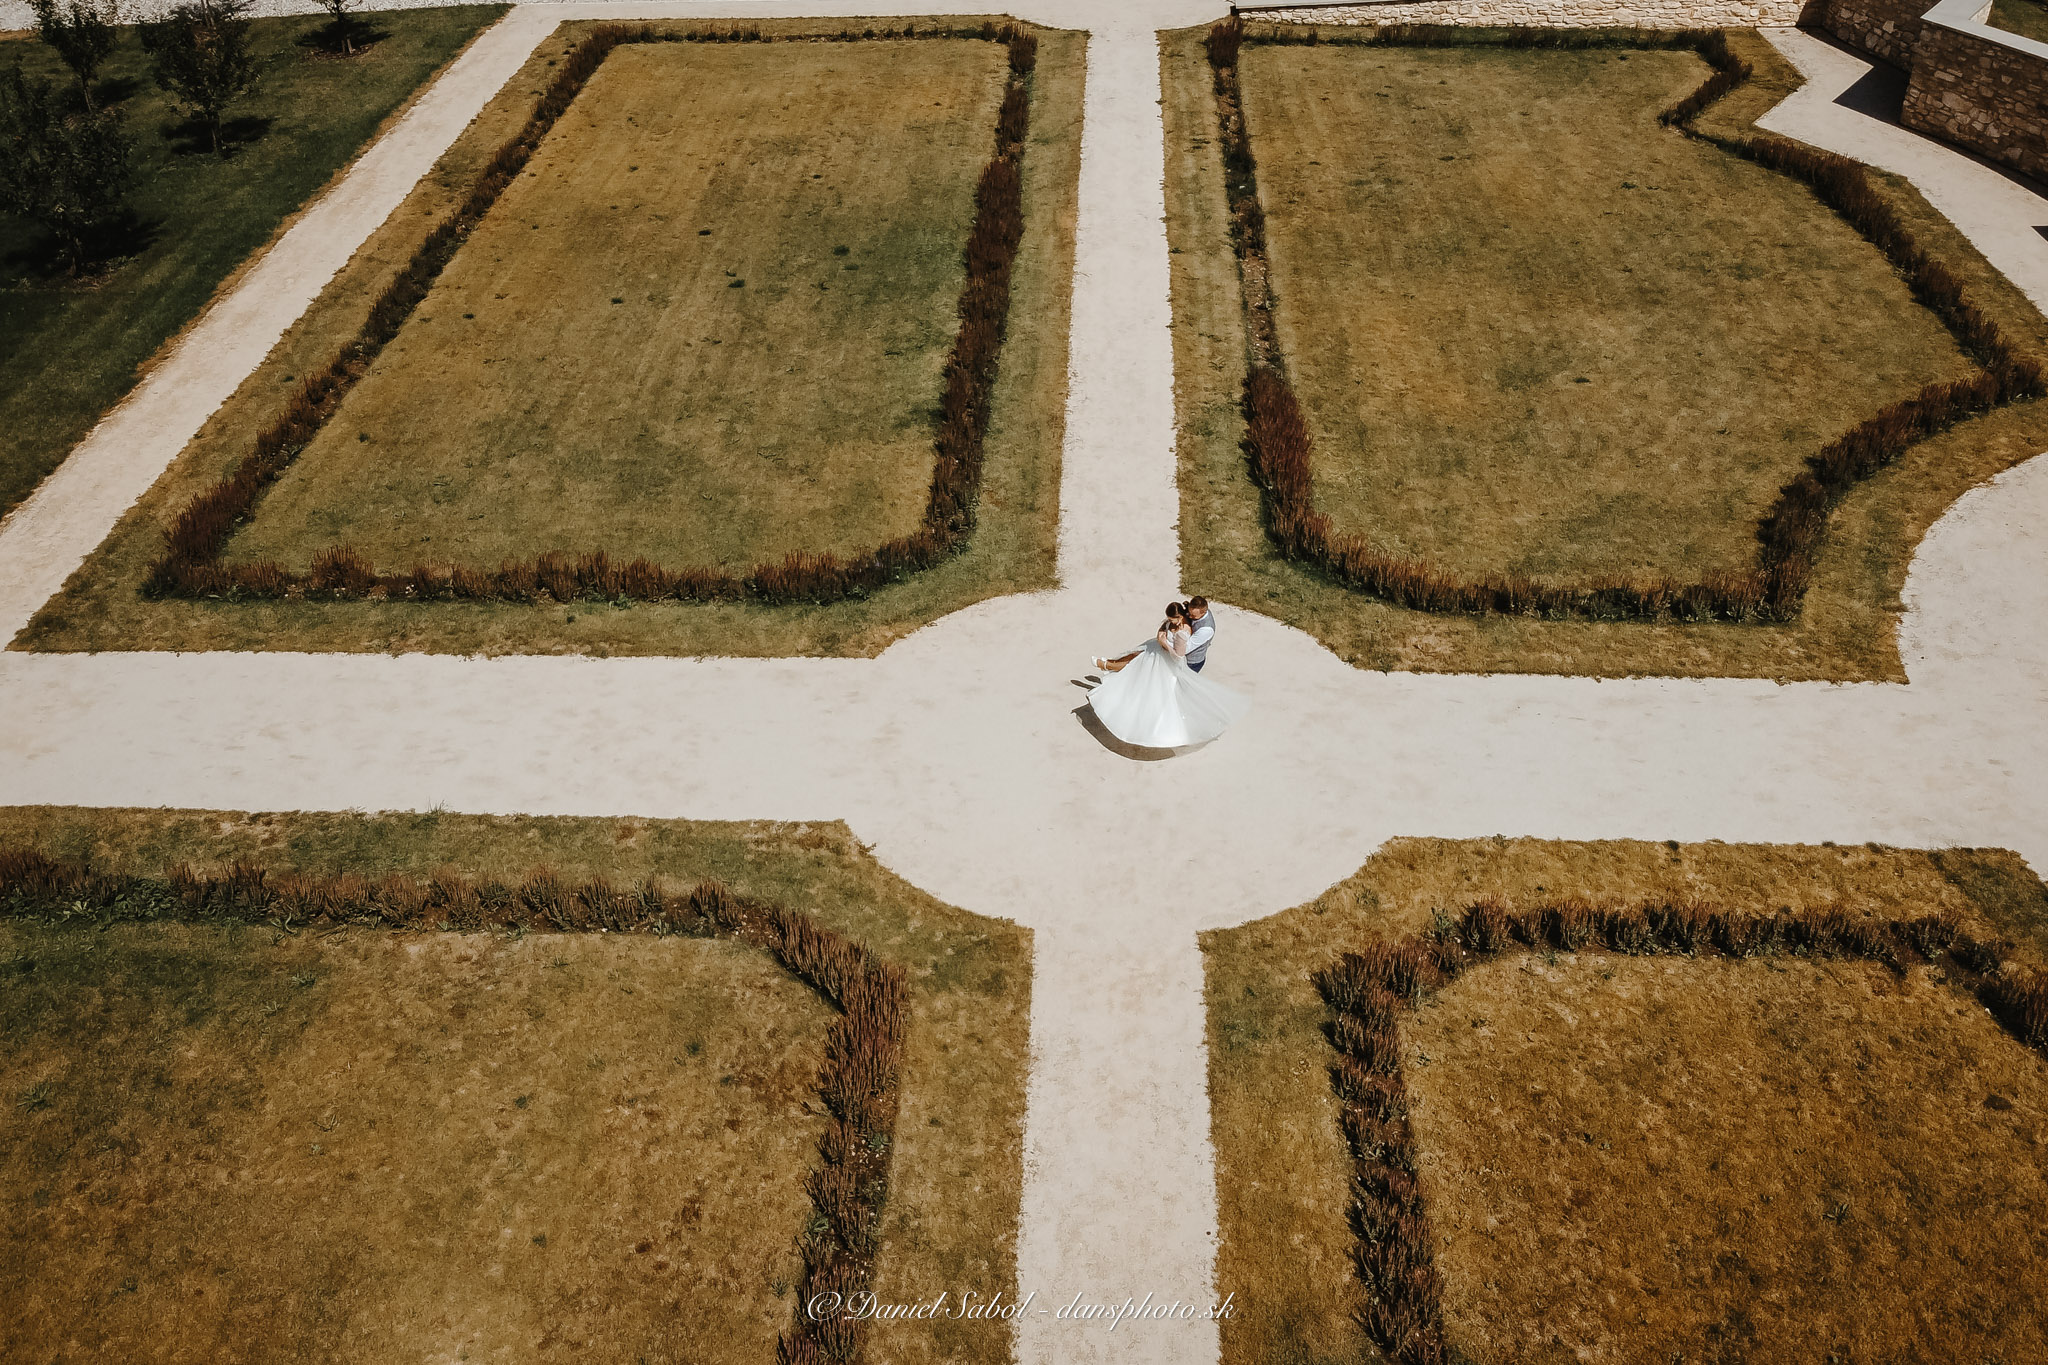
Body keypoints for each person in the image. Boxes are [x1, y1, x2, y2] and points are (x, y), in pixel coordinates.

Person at [1086, 600, 1249, 749]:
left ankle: (1106, 665)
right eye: (1190, 613)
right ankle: (1107, 664)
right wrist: (1160, 635)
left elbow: (1179, 654)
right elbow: (1164, 627)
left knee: (1162, 689)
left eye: (1172, 620)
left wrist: (1163, 642)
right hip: (1159, 652)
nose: (1190, 616)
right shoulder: (1180, 617)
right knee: (1134, 658)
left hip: (1173, 662)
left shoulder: (1191, 631)